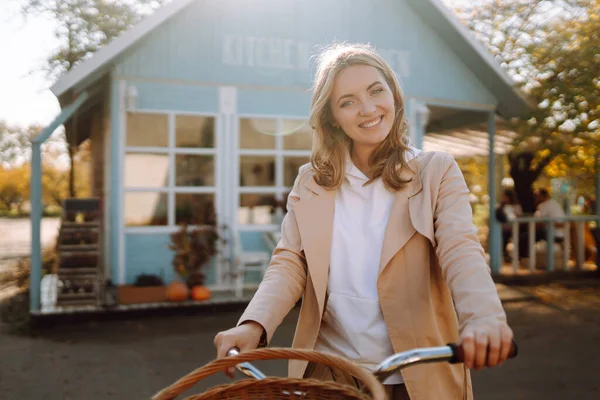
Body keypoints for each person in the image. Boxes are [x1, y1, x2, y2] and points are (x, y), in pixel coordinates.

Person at [214, 43, 513, 400]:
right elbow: (291, 261)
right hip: (331, 373)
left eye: (376, 91)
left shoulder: (436, 171)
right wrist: (254, 324)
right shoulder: (311, 181)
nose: (368, 109)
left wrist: (482, 317)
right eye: (348, 101)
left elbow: (460, 248)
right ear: (332, 118)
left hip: (416, 375)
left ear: (394, 94)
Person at [495, 190, 522, 261]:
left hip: (514, 228)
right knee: (503, 237)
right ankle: (504, 255)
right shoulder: (500, 206)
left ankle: (515, 255)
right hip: (504, 229)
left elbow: (518, 217)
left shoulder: (516, 206)